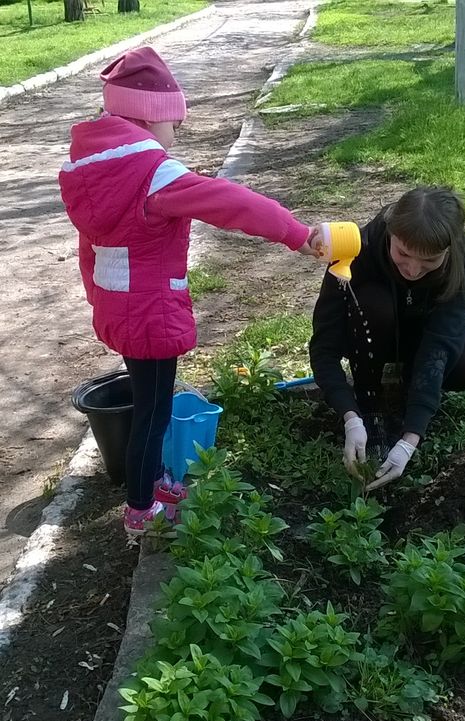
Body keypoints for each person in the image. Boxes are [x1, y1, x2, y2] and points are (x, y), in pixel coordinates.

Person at [59, 47, 316, 536]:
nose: (176, 133)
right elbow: (230, 201)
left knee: (149, 403)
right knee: (152, 416)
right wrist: (297, 234)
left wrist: (99, 301)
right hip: (152, 312)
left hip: (121, 306)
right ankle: (141, 510)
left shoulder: (96, 177)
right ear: (150, 119)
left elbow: (87, 249)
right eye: (174, 123)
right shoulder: (153, 176)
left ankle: (153, 479)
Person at [309, 187, 465, 491]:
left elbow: (441, 342)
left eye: (430, 260)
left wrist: (411, 436)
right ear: (391, 233)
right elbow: (323, 344)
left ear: (450, 247)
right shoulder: (356, 250)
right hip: (365, 334)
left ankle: (405, 395)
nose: (413, 269)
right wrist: (349, 416)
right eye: (403, 253)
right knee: (376, 306)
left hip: (420, 337)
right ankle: (371, 404)